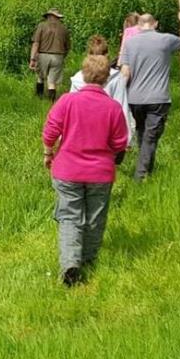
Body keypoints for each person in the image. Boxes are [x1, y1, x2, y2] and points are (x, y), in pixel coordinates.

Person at [43, 54, 129, 286]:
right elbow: (121, 142)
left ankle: (70, 264)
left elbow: (50, 130)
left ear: (83, 74)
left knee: (70, 217)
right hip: (100, 173)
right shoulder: (113, 107)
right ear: (105, 79)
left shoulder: (67, 101)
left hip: (67, 170)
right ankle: (88, 261)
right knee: (94, 217)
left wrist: (48, 153)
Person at [119, 7, 180, 182]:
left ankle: (148, 171)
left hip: (135, 98)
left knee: (143, 134)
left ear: (138, 26)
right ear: (155, 24)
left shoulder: (129, 43)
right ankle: (140, 176)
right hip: (158, 98)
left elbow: (125, 71)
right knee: (150, 137)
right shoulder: (166, 39)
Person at [69, 35, 134, 147]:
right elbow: (122, 106)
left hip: (82, 127)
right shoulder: (116, 77)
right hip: (106, 125)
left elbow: (70, 108)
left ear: (88, 55)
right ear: (107, 55)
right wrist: (127, 138)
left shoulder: (78, 77)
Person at [29, 9, 70, 101]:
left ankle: (39, 99)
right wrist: (63, 56)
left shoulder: (42, 26)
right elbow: (68, 46)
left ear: (49, 16)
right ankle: (50, 103)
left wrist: (32, 59)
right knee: (52, 82)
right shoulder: (64, 28)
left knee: (40, 77)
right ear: (57, 17)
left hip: (43, 55)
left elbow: (36, 43)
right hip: (58, 57)